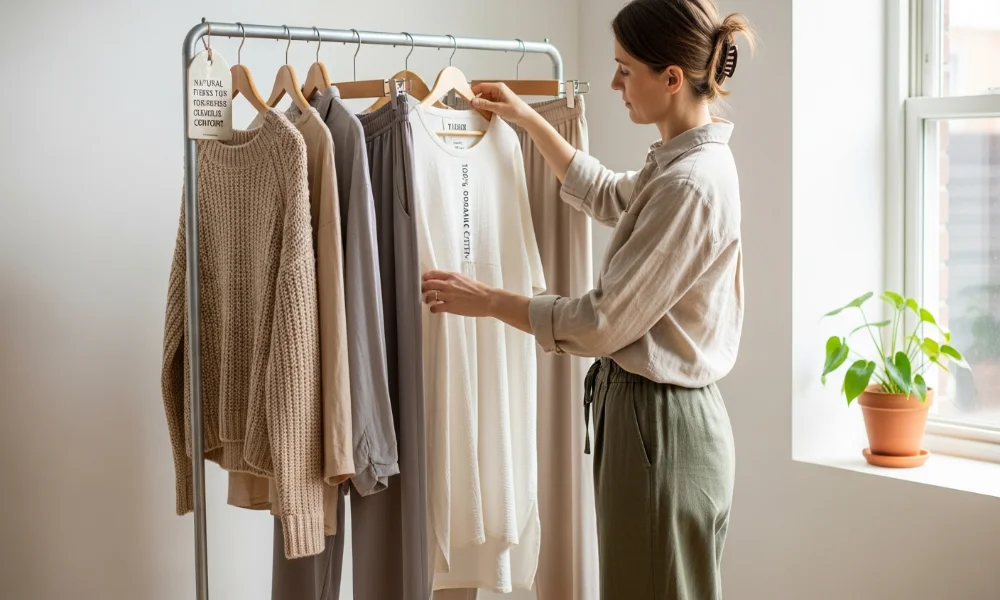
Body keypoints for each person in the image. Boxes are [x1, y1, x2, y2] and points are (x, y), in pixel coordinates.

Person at [421, 0, 754, 598]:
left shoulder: (690, 183)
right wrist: (529, 120)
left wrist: (492, 301)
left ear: (671, 78)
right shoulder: (685, 163)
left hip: (660, 428)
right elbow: (608, 194)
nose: (614, 84)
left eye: (626, 70)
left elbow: (602, 323)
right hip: (657, 422)